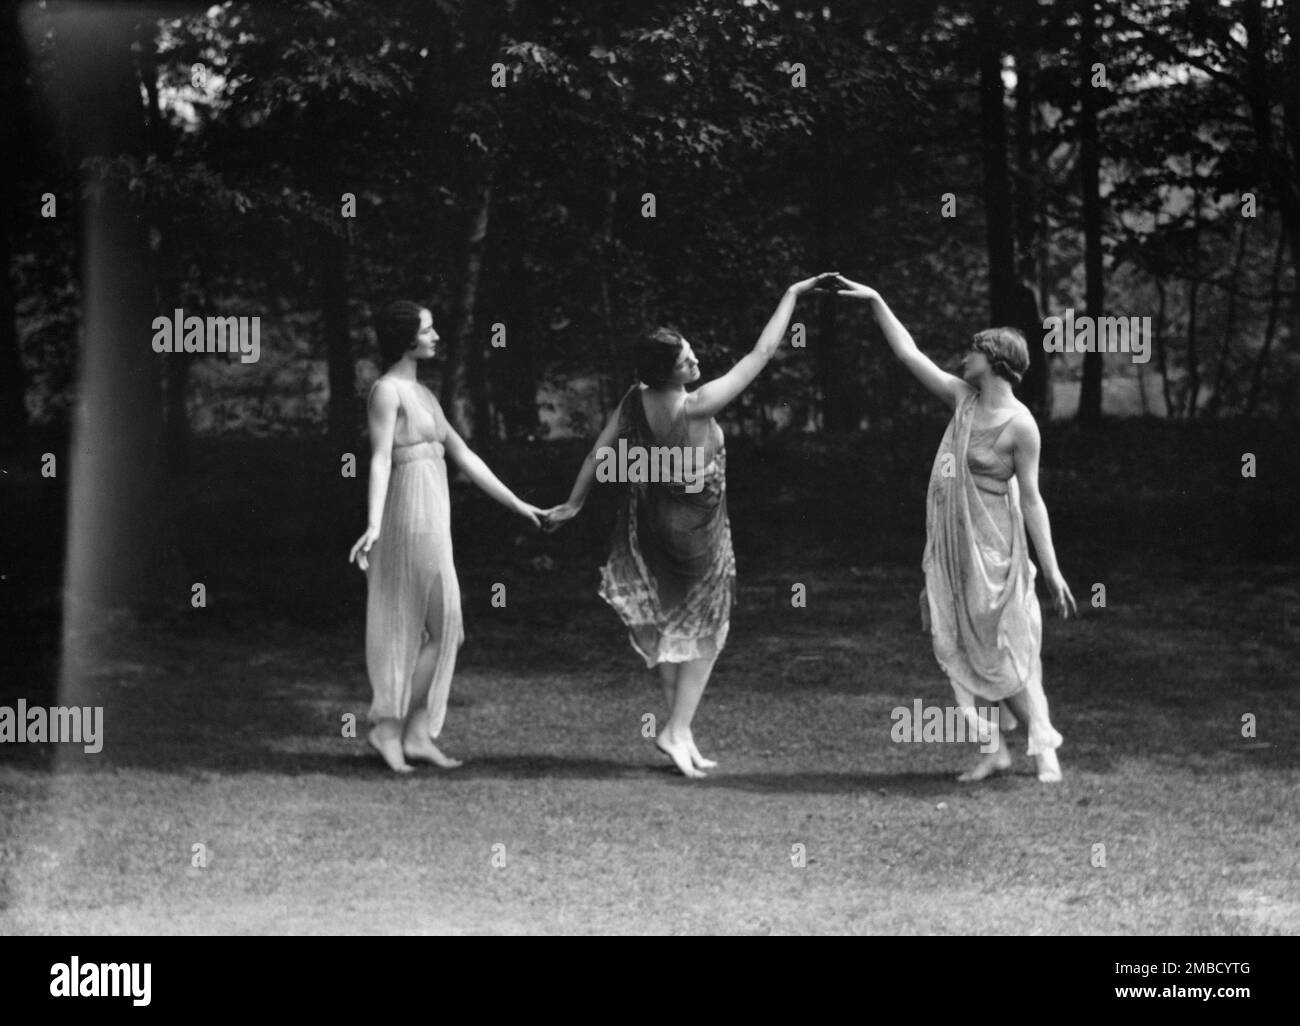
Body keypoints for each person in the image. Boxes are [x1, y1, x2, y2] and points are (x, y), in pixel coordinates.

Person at [543, 275, 832, 778]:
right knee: (708, 629)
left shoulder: (636, 399)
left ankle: (682, 732)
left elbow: (599, 452)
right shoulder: (698, 405)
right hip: (695, 532)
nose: (695, 362)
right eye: (685, 361)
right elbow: (762, 353)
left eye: (691, 352)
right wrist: (793, 294)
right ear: (666, 372)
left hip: (653, 524)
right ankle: (675, 729)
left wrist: (573, 503)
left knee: (676, 622)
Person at [832, 275, 1076, 783]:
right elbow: (908, 354)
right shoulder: (963, 400)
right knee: (959, 642)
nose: (965, 358)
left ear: (995, 362)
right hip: (954, 546)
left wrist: (1051, 570)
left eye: (974, 351)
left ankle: (1041, 741)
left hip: (996, 551)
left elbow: (1031, 499)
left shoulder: (1021, 425)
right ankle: (994, 750)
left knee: (1007, 648)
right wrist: (877, 300)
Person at [349, 301, 544, 773]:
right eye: (428, 330)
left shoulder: (427, 396)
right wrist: (373, 524)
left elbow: (465, 456)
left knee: (448, 631)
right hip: (409, 521)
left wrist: (519, 504)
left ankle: (415, 735)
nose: (436, 336)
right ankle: (388, 729)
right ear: (406, 338)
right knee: (443, 628)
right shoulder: (387, 392)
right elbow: (378, 459)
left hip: (434, 519)